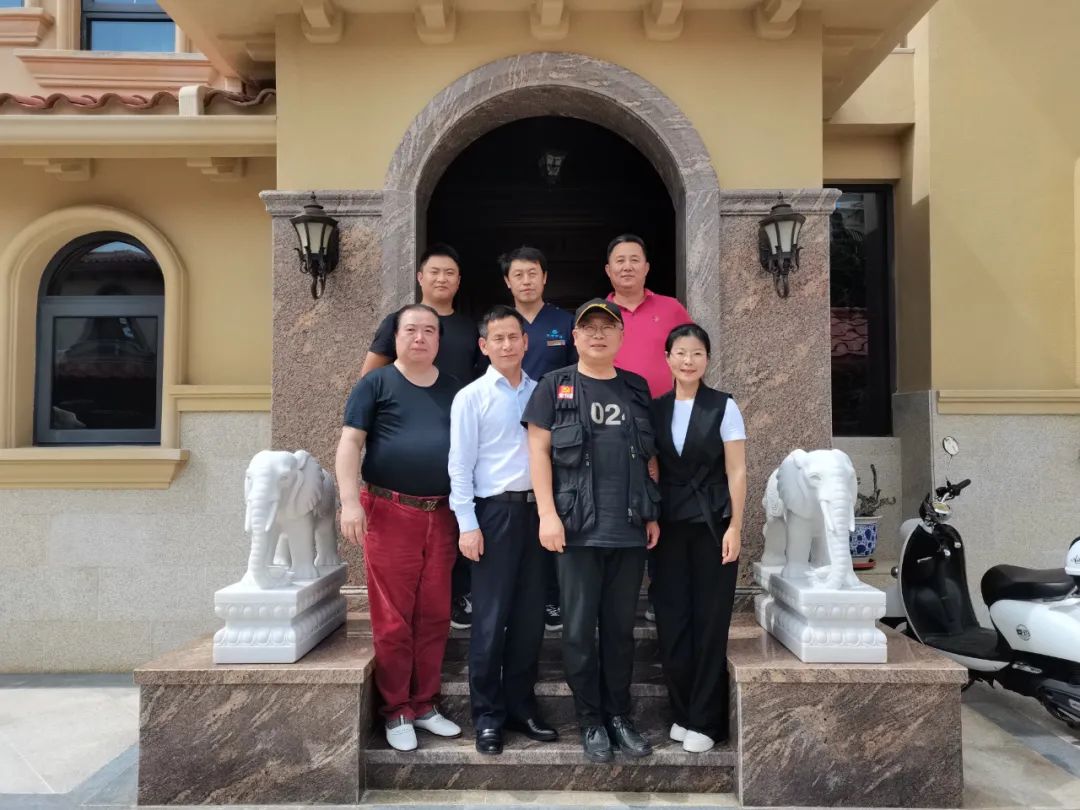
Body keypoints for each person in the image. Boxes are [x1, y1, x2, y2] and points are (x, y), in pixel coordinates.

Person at [523, 298, 661, 764]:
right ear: (575, 337)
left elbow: (649, 457)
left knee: (620, 632)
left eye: (608, 327)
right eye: (589, 328)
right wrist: (547, 515)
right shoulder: (554, 385)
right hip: (576, 529)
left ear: (621, 336)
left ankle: (619, 716)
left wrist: (652, 512)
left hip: (628, 529)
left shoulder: (636, 388)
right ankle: (590, 721)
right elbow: (538, 453)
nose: (598, 334)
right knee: (579, 632)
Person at [336, 303, 464, 753]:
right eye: (411, 330)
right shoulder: (376, 383)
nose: (420, 337)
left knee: (434, 614)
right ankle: (397, 711)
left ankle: (425, 704)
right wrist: (349, 502)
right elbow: (350, 443)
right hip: (390, 512)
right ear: (396, 337)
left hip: (442, 514)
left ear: (439, 340)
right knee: (393, 619)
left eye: (429, 330)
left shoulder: (455, 389)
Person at [448, 305, 557, 755]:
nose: (508, 345)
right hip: (493, 515)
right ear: (484, 345)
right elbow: (460, 466)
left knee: (530, 620)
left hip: (538, 515)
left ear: (526, 342)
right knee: (490, 622)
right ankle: (488, 716)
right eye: (499, 338)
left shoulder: (543, 391)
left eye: (515, 337)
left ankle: (521, 707)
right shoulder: (471, 397)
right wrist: (467, 524)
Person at [361, 243, 481, 632]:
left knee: (458, 523)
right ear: (420, 277)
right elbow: (369, 379)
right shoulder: (398, 322)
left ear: (459, 281)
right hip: (398, 473)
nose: (442, 279)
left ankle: (460, 596)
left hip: (456, 442)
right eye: (434, 272)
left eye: (450, 273)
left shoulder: (469, 328)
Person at [649, 323, 746, 754]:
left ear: (707, 359)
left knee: (710, 621)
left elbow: (737, 470)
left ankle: (707, 720)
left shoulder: (723, 406)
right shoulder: (656, 408)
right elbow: (653, 466)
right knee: (672, 619)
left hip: (713, 525)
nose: (688, 361)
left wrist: (736, 526)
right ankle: (682, 712)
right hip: (668, 525)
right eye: (681, 353)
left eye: (697, 354)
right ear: (668, 357)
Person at [500, 245, 577, 632]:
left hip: (556, 434)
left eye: (533, 273)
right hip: (507, 435)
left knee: (553, 511)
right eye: (518, 274)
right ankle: (512, 595)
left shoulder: (564, 322)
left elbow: (578, 375)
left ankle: (552, 597)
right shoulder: (500, 325)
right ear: (507, 282)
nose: (526, 281)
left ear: (545, 278)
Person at [604, 234, 693, 398]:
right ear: (608, 270)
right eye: (620, 261)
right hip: (612, 407)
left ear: (646, 268)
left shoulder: (671, 308)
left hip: (665, 406)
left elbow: (693, 353)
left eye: (634, 260)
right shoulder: (597, 314)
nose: (627, 267)